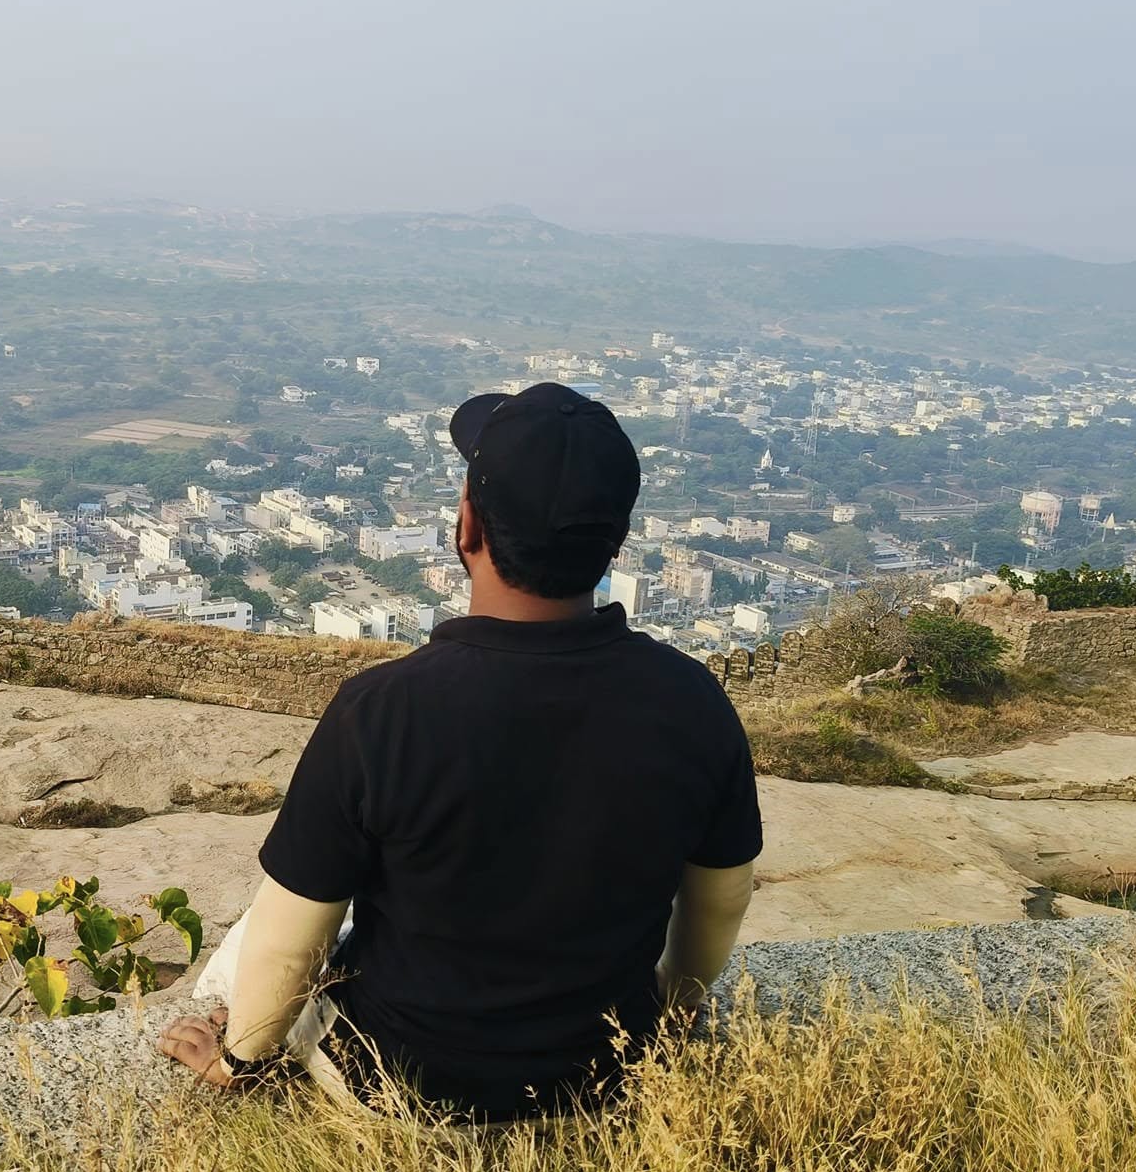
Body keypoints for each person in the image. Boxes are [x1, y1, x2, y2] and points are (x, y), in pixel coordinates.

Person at [157, 382, 761, 1121]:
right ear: (616, 541)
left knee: (271, 917)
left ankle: (231, 1044)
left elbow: (294, 934)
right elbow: (720, 900)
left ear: (466, 526)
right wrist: (673, 1009)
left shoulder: (382, 710)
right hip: (604, 1081)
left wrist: (243, 1057)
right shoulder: (693, 700)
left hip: (398, 1089)